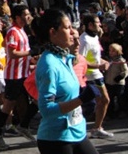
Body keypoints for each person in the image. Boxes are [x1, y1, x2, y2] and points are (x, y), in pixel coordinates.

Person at [33, 9, 99, 154]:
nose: (72, 32)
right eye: (67, 28)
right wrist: (81, 99)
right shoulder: (49, 65)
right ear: (53, 32)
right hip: (56, 140)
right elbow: (46, 109)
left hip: (78, 132)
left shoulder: (65, 58)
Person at [0, 5, 37, 149]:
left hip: (24, 73)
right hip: (14, 75)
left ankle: (23, 125)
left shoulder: (22, 31)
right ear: (17, 17)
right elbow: (12, 54)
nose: (28, 17)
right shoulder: (13, 31)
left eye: (29, 14)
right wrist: (30, 53)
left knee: (38, 98)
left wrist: (33, 59)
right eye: (25, 14)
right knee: (8, 106)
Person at [79, 14, 114, 138]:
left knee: (103, 101)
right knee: (101, 101)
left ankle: (97, 128)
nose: (100, 24)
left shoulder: (94, 37)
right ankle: (94, 128)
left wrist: (103, 61)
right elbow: (80, 61)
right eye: (97, 22)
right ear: (90, 25)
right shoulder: (84, 40)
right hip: (89, 77)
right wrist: (98, 66)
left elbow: (95, 57)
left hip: (96, 74)